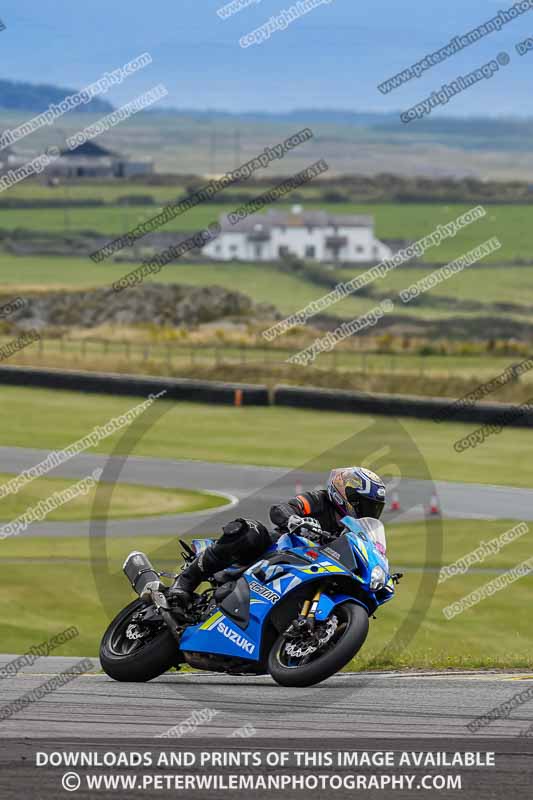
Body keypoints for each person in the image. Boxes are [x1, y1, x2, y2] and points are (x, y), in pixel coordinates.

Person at [169, 466, 386, 607]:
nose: (368, 512)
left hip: (311, 569)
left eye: (373, 508)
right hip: (277, 550)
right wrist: (295, 520)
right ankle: (186, 580)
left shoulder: (353, 531)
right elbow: (281, 509)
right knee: (250, 531)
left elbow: (367, 550)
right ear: (347, 495)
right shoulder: (319, 500)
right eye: (364, 504)